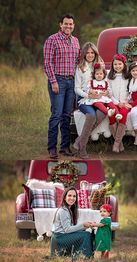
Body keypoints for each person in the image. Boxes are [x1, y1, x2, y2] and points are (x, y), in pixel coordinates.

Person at [43, 13, 80, 159]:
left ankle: (64, 147)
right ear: (60, 24)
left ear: (73, 25)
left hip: (71, 82)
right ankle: (52, 148)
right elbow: (47, 63)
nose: (68, 26)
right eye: (66, 24)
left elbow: (78, 62)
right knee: (56, 115)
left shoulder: (76, 41)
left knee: (67, 116)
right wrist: (53, 81)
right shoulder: (52, 40)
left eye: (71, 24)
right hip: (58, 81)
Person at [73, 42, 108, 158]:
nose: (90, 55)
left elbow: (106, 83)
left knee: (102, 112)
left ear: (95, 53)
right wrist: (88, 95)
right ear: (83, 54)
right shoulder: (80, 68)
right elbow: (76, 88)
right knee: (92, 115)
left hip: (99, 99)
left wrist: (105, 92)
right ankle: (82, 148)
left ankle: (78, 140)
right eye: (87, 53)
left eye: (92, 52)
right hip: (84, 99)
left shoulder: (100, 66)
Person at [50, 187, 94, 259]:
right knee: (86, 234)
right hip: (59, 239)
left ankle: (84, 254)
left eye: (74, 196)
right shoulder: (63, 210)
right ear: (65, 197)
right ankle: (86, 256)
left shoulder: (68, 209)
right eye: (69, 195)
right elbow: (67, 229)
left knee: (85, 232)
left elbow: (70, 228)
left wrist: (85, 227)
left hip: (62, 236)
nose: (72, 198)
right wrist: (83, 225)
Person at [108, 54, 132, 153]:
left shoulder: (128, 76)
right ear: (112, 66)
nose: (117, 66)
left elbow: (131, 92)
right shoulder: (109, 77)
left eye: (120, 64)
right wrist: (117, 103)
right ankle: (120, 143)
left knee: (123, 114)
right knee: (112, 114)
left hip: (125, 103)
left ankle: (116, 143)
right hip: (113, 102)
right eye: (115, 64)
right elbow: (109, 93)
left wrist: (125, 102)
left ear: (124, 64)